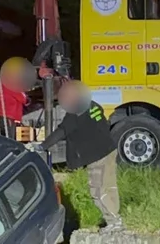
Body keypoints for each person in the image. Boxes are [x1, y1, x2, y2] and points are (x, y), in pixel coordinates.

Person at [36, 81, 123, 231]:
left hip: (97, 156)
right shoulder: (93, 104)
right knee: (109, 186)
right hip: (108, 149)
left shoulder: (76, 112)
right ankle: (115, 218)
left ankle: (114, 222)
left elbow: (62, 131)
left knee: (98, 189)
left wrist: (41, 146)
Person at [0, 57, 31, 137]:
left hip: (0, 115)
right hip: (9, 117)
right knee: (10, 139)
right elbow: (22, 98)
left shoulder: (3, 81)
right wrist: (27, 99)